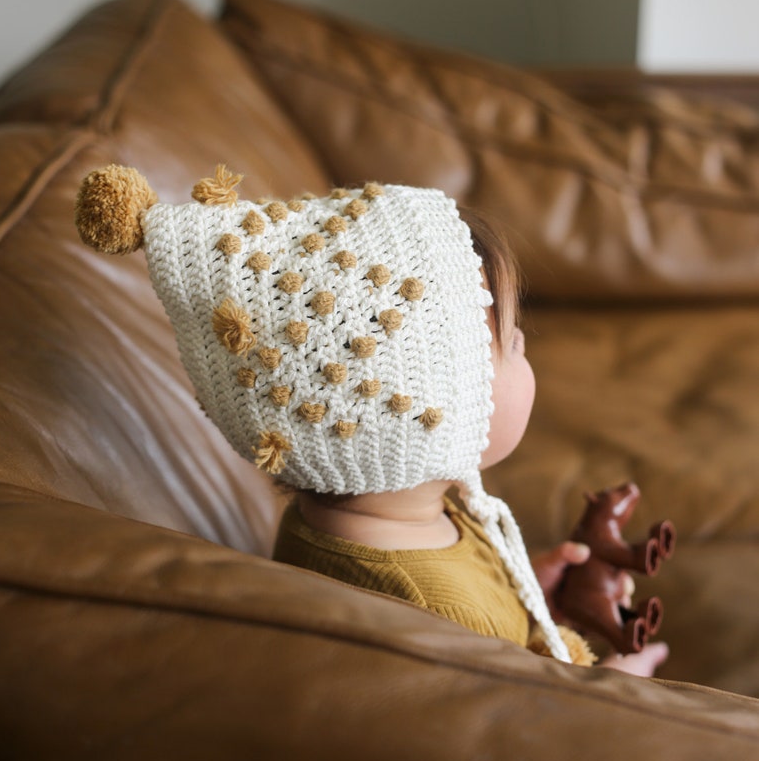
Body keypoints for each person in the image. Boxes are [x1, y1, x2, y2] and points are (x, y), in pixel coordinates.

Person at [75, 166, 669, 675]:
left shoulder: (376, 518)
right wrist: (619, 693)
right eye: (512, 343)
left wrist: (521, 600)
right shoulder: (435, 620)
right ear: (432, 397)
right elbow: (533, 743)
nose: (524, 348)